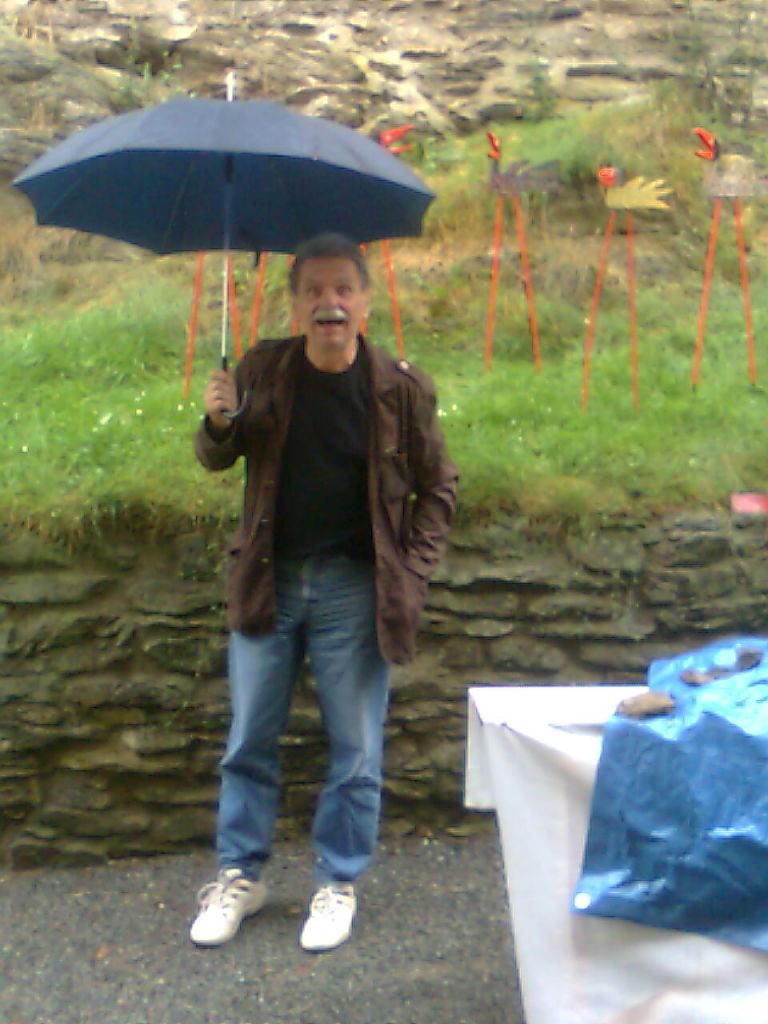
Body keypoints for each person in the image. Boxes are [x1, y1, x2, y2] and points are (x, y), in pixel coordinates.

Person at [190, 232, 458, 953]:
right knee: (248, 741)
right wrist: (217, 421)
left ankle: (337, 882)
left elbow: (439, 487)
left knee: (356, 749)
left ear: (366, 300)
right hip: (268, 581)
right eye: (313, 290)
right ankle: (240, 876)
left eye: (343, 289)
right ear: (295, 304)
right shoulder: (262, 369)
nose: (328, 303)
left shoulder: (401, 388)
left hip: (355, 589)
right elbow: (219, 456)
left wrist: (411, 572)